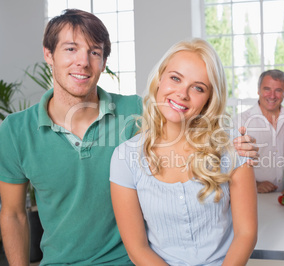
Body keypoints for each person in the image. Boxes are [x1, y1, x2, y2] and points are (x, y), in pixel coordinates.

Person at [0, 9, 257, 265]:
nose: (83, 61)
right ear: (48, 53)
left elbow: (186, 117)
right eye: (70, 49)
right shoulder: (15, 130)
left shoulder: (136, 111)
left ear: (103, 62)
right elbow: (13, 214)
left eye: (94, 52)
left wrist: (238, 145)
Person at [109, 38, 258, 265]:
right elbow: (137, 248)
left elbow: (246, 234)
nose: (182, 94)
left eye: (198, 87)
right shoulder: (125, 158)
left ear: (209, 99)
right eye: (175, 78)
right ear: (160, 79)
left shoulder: (234, 147)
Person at [236, 69, 284, 193]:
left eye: (278, 90)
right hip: (253, 196)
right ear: (258, 90)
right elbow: (230, 162)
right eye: (267, 89)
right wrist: (256, 184)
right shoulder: (241, 121)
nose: (272, 96)